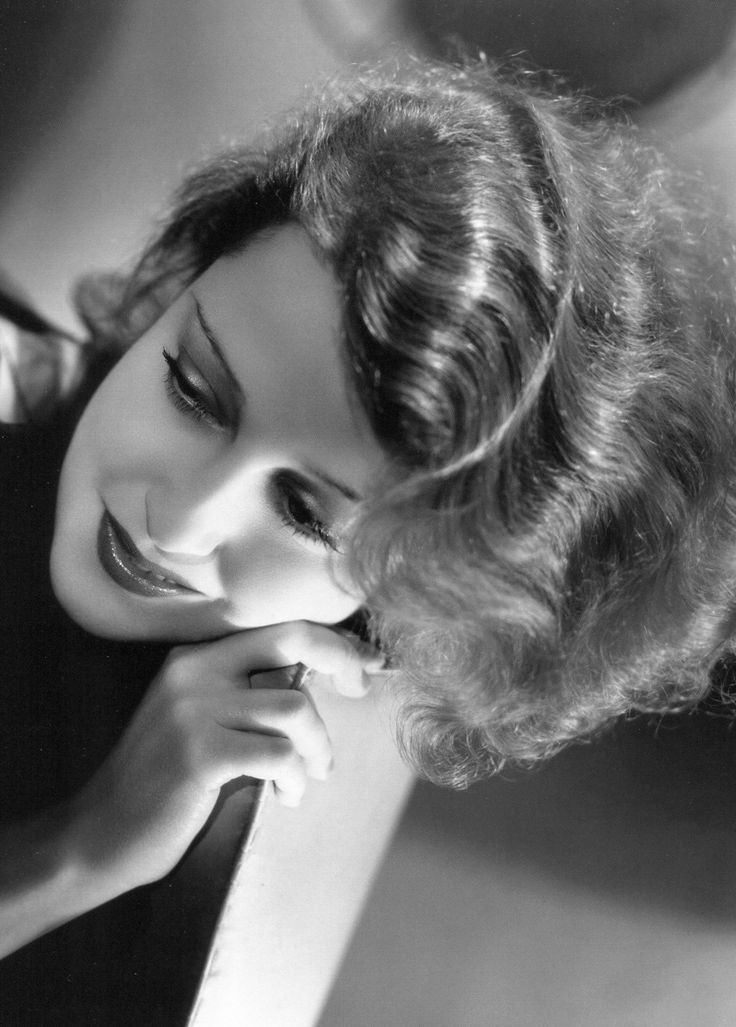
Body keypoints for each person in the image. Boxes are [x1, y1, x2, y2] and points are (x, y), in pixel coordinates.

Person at [2, 54, 736, 959]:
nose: (180, 522)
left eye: (307, 517)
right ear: (173, 287)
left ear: (410, 599)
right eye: (193, 390)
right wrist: (73, 855)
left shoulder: (266, 778)